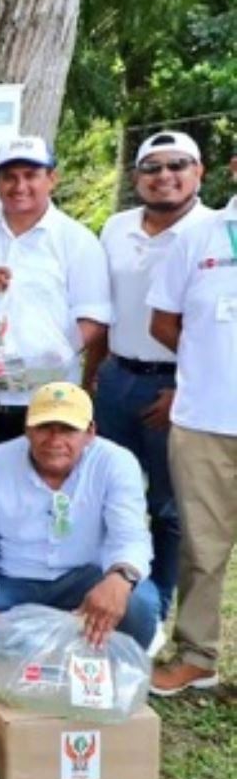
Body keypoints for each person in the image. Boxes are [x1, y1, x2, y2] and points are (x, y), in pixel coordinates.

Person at [85, 131, 210, 624]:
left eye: (177, 165)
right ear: (138, 177)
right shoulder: (116, 229)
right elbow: (103, 307)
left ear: (198, 171)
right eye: (152, 168)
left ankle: (153, 610)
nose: (165, 176)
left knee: (167, 506)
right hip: (116, 377)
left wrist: (184, 387)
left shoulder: (214, 231)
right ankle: (102, 595)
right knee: (103, 491)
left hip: (175, 385)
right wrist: (91, 375)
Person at [0, 382, 158, 661]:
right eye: (44, 427)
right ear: (27, 428)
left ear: (90, 432)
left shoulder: (117, 463)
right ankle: (59, 650)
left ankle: (80, 655)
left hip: (86, 580)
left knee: (140, 604)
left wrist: (119, 580)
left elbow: (130, 537)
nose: (55, 440)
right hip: (12, 583)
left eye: (68, 429)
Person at [0, 137, 111, 468]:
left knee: (44, 493)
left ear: (52, 178)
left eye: (30, 175)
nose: (19, 185)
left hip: (45, 401)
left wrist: (53, 356)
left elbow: (94, 317)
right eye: (9, 177)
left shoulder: (76, 240)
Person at [145, 185, 237, 694]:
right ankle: (199, 656)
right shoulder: (198, 237)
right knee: (203, 545)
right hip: (206, 419)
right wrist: (207, 358)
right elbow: (162, 320)